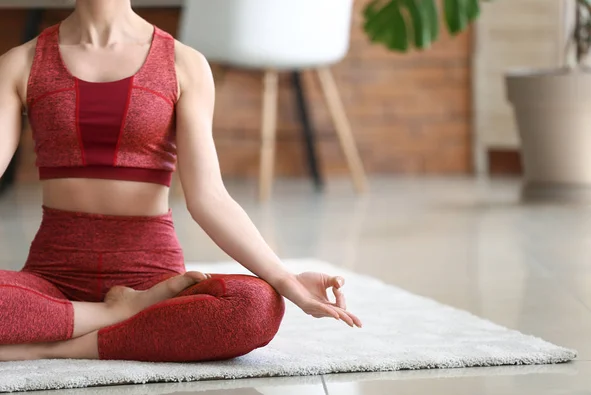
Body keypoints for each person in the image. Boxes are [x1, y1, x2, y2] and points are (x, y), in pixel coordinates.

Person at [0, 0, 361, 363]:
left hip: (157, 285)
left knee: (256, 305)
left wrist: (288, 281)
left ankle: (53, 345)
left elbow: (210, 198)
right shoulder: (21, 63)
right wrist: (119, 310)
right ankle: (118, 316)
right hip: (53, 281)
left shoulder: (184, 64)